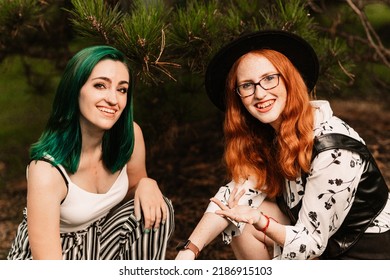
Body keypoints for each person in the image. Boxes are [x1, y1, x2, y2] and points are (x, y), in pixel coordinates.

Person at [175, 30, 390, 260]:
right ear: (238, 95)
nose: (259, 93)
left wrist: (261, 220)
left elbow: (311, 243)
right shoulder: (270, 134)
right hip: (323, 244)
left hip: (363, 256)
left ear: (289, 79)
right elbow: (233, 196)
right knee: (239, 219)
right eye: (247, 85)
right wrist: (189, 251)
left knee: (251, 220)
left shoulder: (332, 148)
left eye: (269, 78)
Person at [7, 45, 174, 260]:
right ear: (75, 89)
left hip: (96, 240)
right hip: (50, 257)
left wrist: (147, 183)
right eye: (100, 85)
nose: (113, 100)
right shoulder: (47, 170)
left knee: (158, 209)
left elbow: (136, 192)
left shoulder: (130, 135)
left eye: (122, 89)